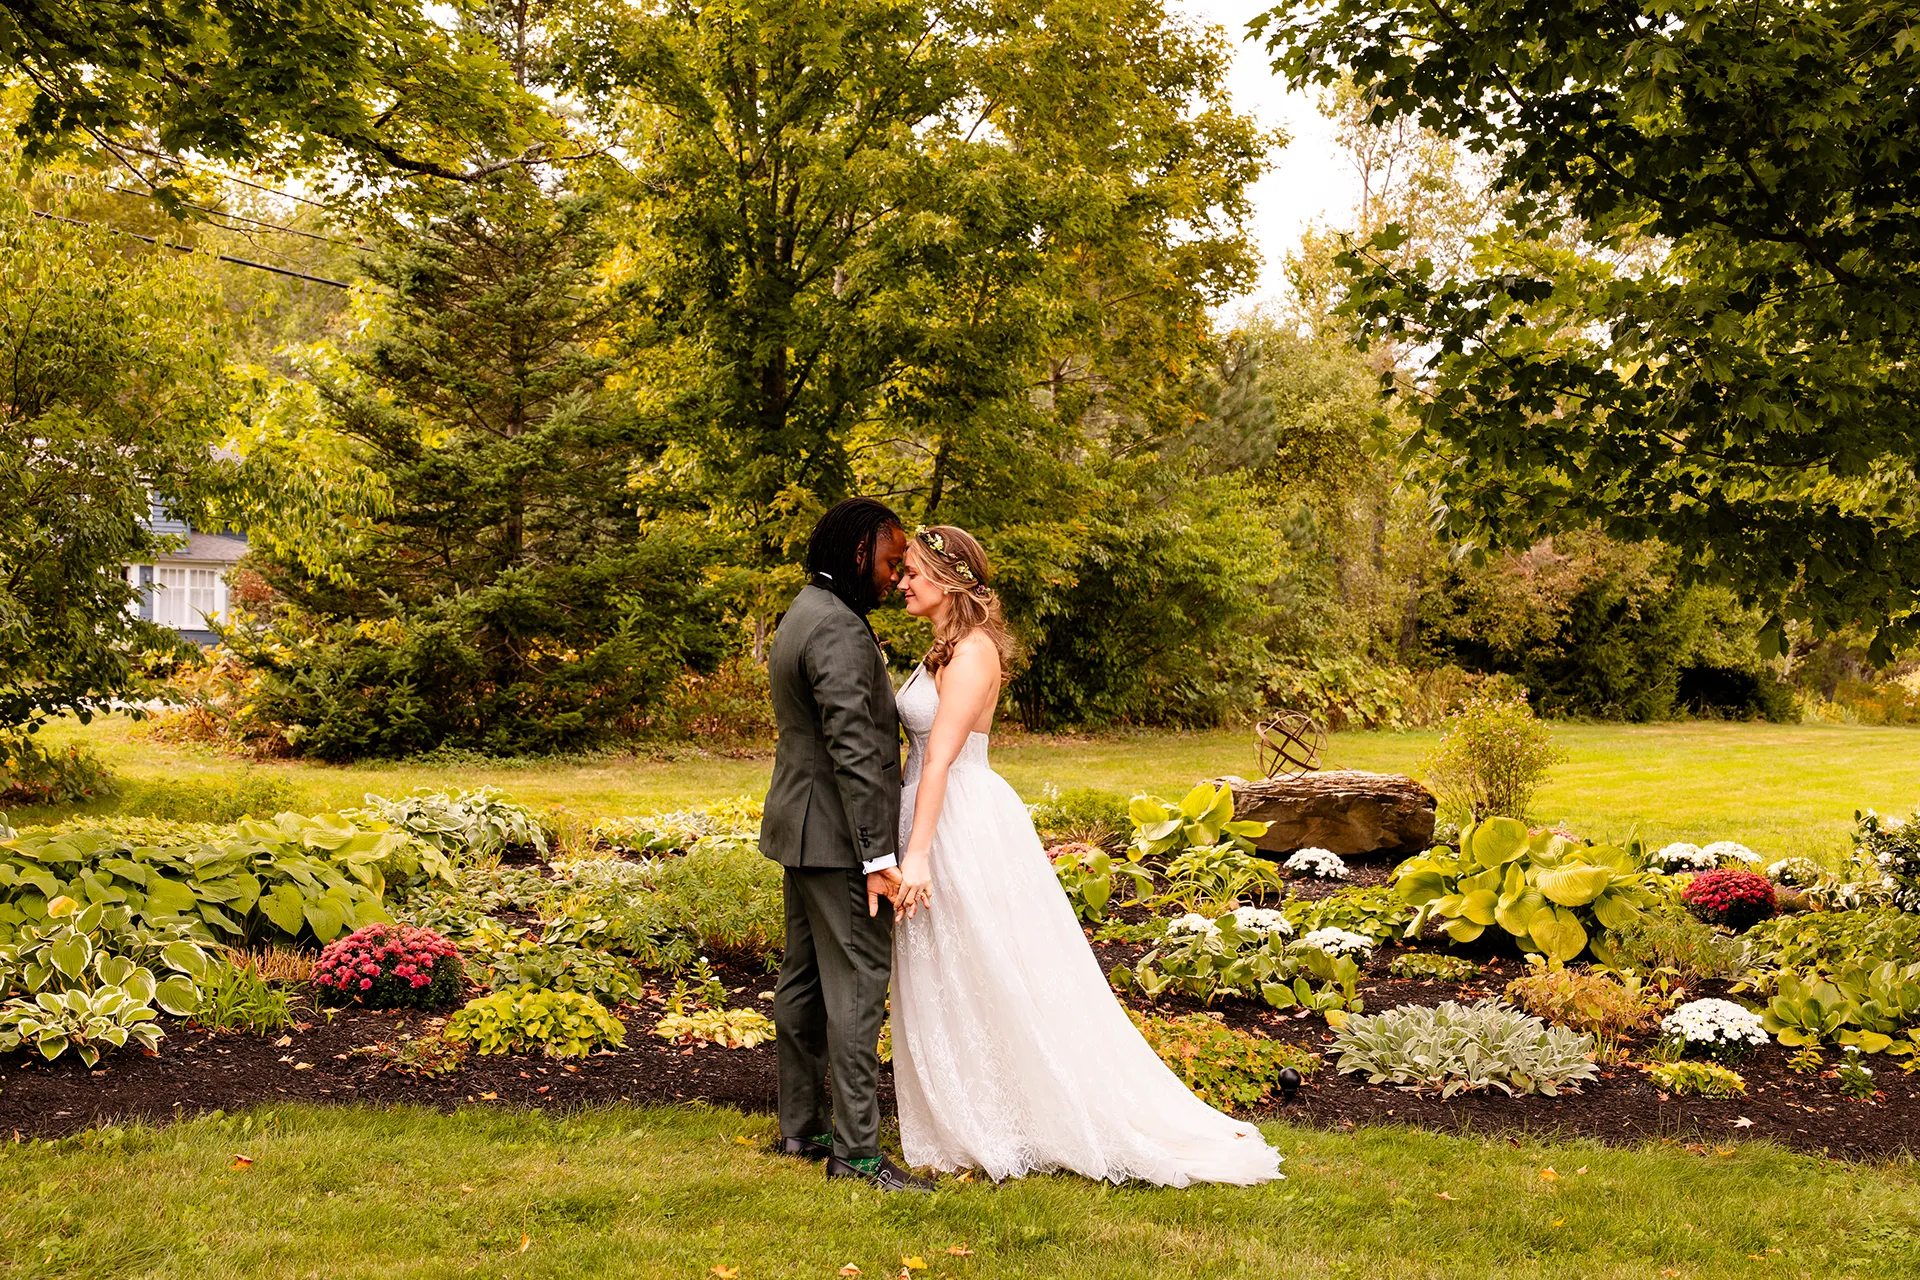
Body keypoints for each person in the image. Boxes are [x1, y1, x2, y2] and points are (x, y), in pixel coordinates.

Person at [888, 524, 1284, 1186]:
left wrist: (920, 853)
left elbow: (941, 760)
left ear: (949, 579)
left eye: (913, 572)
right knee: (950, 969)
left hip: (956, 818)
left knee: (982, 965)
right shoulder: (942, 648)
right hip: (932, 812)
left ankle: (1003, 1120)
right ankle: (965, 1116)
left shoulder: (974, 652)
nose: (902, 582)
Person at [760, 497, 933, 1192]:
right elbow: (855, 750)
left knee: (801, 982)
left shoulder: (805, 610)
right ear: (859, 552)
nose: (895, 575)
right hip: (836, 841)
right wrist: (878, 857)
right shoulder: (838, 630)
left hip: (800, 830)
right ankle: (858, 1154)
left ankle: (802, 1129)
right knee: (859, 984)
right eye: (891, 561)